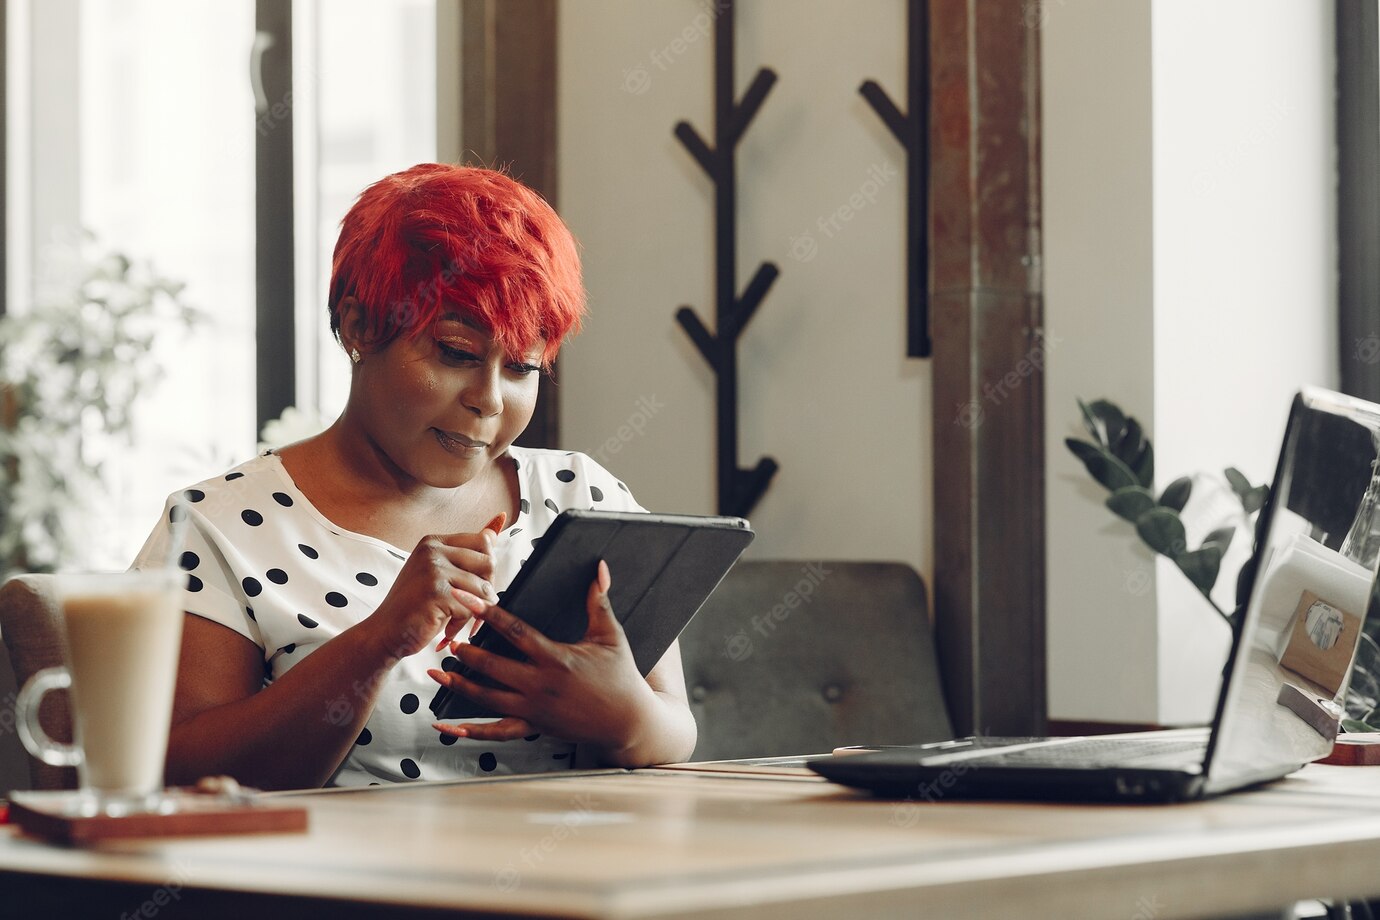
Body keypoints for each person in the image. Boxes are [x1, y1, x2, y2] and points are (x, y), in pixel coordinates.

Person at [132, 164, 697, 789]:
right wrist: (376, 642)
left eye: (521, 368)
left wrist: (624, 718)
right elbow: (177, 775)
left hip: (583, 876)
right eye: (456, 353)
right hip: (348, 884)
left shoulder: (582, 499)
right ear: (359, 326)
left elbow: (677, 726)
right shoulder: (218, 527)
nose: (488, 400)